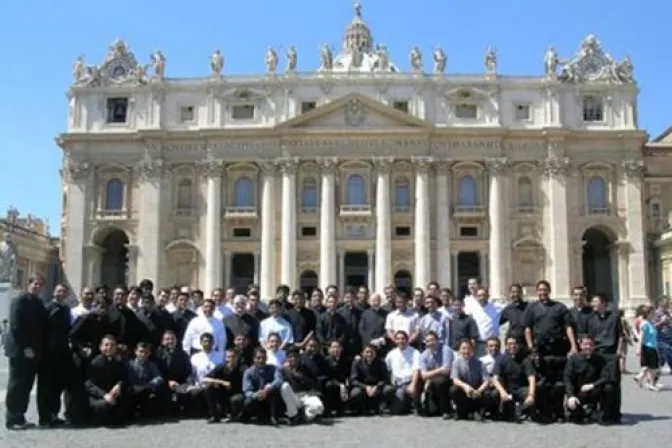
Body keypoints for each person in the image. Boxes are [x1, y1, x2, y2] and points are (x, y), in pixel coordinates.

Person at [4, 274, 49, 430]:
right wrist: (25, 347)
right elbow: (16, 326)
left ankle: (20, 416)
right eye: (35, 284)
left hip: (32, 352)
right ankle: (11, 418)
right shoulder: (20, 300)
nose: (38, 287)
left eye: (41, 285)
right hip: (20, 351)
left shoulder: (38, 302)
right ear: (28, 284)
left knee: (26, 385)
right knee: (16, 384)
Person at [37, 283, 72, 428]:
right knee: (46, 387)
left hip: (62, 352)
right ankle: (44, 417)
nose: (60, 293)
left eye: (63, 291)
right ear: (53, 292)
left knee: (57, 386)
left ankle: (54, 414)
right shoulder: (47, 308)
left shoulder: (66, 309)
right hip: (48, 353)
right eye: (58, 291)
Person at [563, 335, 617, 424]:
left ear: (594, 346)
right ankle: (583, 412)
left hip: (595, 391)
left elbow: (606, 376)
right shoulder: (573, 359)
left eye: (590, 344)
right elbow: (567, 378)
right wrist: (570, 396)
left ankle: (604, 415)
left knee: (609, 388)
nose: (588, 347)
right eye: (585, 344)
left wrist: (593, 385)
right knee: (577, 420)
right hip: (579, 393)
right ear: (580, 345)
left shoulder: (600, 359)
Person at [85, 335, 129, 426]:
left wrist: (118, 385)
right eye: (106, 345)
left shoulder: (118, 362)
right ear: (100, 347)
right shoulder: (95, 363)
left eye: (112, 345)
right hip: (96, 397)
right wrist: (104, 395)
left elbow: (123, 378)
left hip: (111, 395)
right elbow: (89, 384)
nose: (109, 348)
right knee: (104, 405)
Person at [491, 337, 536, 422]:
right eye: (510, 344)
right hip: (507, 391)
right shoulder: (501, 359)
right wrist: (502, 391)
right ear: (506, 346)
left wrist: (531, 394)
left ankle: (523, 411)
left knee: (529, 392)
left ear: (518, 345)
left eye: (514, 343)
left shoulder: (525, 359)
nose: (512, 346)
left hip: (520, 390)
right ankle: (498, 412)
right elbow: (494, 379)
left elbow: (531, 377)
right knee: (495, 393)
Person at [279, 347, 325, 424]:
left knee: (319, 407)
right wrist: (289, 373)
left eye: (295, 356)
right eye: (290, 357)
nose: (293, 359)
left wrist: (302, 377)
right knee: (284, 386)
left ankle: (305, 414)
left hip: (306, 395)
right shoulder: (283, 370)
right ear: (287, 359)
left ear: (299, 357)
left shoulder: (305, 367)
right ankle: (294, 415)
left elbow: (314, 383)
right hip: (294, 397)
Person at [201, 348, 246, 423]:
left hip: (237, 394)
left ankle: (234, 415)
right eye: (228, 357)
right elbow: (204, 379)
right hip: (222, 394)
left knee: (236, 399)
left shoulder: (243, 368)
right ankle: (215, 416)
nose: (231, 359)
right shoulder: (221, 367)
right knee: (208, 388)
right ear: (225, 358)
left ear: (237, 357)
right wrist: (221, 382)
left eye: (233, 357)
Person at [449, 339, 489, 421]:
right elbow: (455, 379)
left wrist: (479, 391)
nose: (466, 351)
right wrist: (465, 387)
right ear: (459, 350)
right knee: (453, 389)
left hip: (477, 391)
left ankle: (478, 411)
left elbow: (486, 381)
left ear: (472, 349)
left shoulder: (480, 363)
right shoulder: (456, 362)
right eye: (463, 348)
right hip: (464, 392)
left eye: (468, 348)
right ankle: (462, 411)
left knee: (487, 393)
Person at [242, 347, 282, 425]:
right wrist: (256, 394)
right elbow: (247, 391)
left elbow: (279, 380)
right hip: (257, 398)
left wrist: (267, 389)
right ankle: (256, 416)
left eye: (263, 358)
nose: (261, 360)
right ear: (254, 359)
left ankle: (273, 416)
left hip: (269, 398)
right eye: (258, 358)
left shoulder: (273, 368)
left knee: (274, 391)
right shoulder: (248, 372)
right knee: (248, 402)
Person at [418, 331, 453, 418]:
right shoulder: (424, 355)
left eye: (432, 340)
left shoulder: (446, 349)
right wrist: (439, 370)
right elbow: (423, 375)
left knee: (440, 382)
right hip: (431, 381)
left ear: (438, 340)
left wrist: (430, 376)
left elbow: (447, 371)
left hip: (447, 379)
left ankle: (446, 410)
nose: (430, 343)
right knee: (432, 412)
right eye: (427, 341)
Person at [349, 344, 393, 415]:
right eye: (367, 352)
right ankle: (361, 408)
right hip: (362, 387)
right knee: (355, 393)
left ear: (375, 353)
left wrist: (376, 386)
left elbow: (385, 379)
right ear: (362, 353)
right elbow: (353, 380)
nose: (369, 354)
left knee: (389, 389)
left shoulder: (381, 363)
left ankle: (380, 407)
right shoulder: (357, 363)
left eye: (372, 352)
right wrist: (366, 387)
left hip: (377, 387)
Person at [384, 330, 421, 415]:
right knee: (396, 411)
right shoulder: (391, 353)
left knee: (412, 391)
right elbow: (386, 369)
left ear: (407, 339)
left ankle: (415, 404)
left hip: (410, 382)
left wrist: (413, 385)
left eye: (403, 338)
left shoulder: (415, 352)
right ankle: (405, 404)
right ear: (395, 340)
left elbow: (416, 370)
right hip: (397, 384)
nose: (401, 341)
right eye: (398, 339)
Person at [634, 305, 662, 391]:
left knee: (649, 367)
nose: (654, 314)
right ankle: (649, 383)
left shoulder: (650, 323)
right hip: (647, 347)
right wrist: (638, 349)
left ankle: (640, 378)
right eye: (653, 313)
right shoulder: (645, 323)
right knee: (655, 368)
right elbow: (641, 337)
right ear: (648, 313)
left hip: (652, 347)